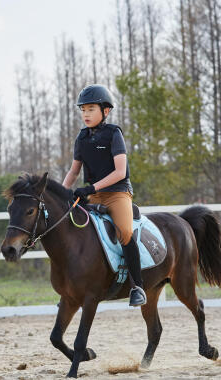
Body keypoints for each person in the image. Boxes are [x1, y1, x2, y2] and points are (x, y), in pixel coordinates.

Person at [62, 84, 147, 307]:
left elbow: (120, 171)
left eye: (91, 109)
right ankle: (70, 289)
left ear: (105, 111)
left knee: (125, 232)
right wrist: (62, 193)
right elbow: (74, 171)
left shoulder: (114, 134)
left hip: (117, 193)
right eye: (83, 110)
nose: (86, 114)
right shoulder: (81, 138)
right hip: (93, 196)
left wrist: (90, 189)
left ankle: (137, 286)